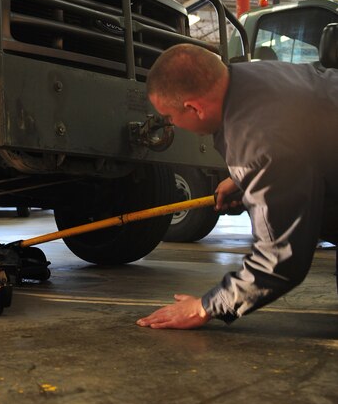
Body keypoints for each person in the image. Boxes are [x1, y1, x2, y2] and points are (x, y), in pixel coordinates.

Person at [136, 43, 338, 330]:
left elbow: (279, 261)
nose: (172, 125)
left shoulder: (256, 140)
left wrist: (204, 307)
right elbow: (302, 143)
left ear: (193, 107)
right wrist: (245, 179)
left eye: (169, 118)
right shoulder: (251, 76)